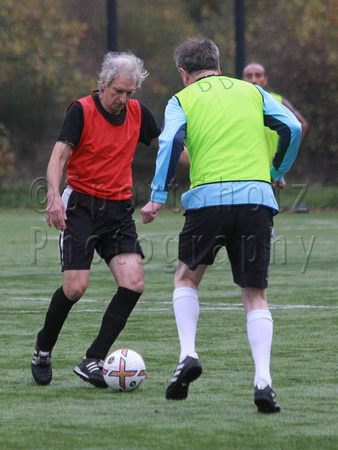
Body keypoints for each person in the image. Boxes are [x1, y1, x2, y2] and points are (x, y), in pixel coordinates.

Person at [141, 36, 302, 412]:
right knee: (255, 295)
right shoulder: (252, 91)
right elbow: (292, 128)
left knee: (186, 278)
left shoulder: (182, 99)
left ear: (184, 73)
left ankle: (188, 355)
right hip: (256, 200)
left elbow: (169, 143)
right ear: (217, 62)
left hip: (208, 201)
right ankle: (263, 380)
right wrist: (277, 170)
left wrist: (157, 197)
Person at [31, 52, 161, 388]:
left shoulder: (137, 113)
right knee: (75, 288)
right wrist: (54, 196)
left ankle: (93, 359)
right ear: (103, 83)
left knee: (133, 283)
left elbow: (168, 149)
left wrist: (210, 159)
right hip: (82, 208)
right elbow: (58, 155)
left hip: (118, 211)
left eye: (130, 92)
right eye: (118, 90)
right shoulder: (81, 110)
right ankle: (43, 349)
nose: (124, 98)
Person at [243, 62, 308, 164]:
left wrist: (285, 157)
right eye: (249, 76)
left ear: (265, 80)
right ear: (242, 80)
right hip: (244, 167)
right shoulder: (236, 102)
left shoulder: (279, 101)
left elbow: (301, 125)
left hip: (271, 170)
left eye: (258, 75)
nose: (254, 80)